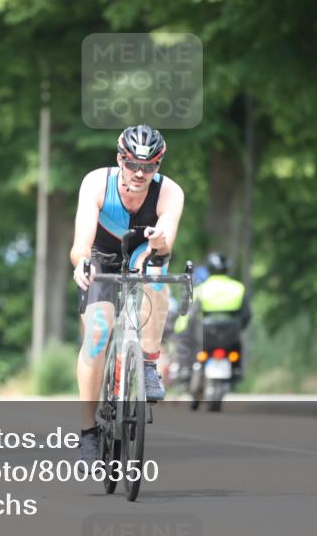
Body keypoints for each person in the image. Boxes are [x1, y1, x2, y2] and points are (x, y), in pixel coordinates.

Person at [71, 125, 185, 466]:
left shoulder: (170, 193)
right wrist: (82, 265)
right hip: (102, 255)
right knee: (97, 334)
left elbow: (166, 242)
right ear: (120, 159)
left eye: (149, 166)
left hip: (142, 254)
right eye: (133, 163)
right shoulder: (96, 183)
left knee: (157, 276)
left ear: (158, 166)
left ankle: (148, 363)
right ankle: (89, 432)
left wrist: (157, 240)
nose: (139, 173)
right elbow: (80, 245)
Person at [183, 252, 251, 382]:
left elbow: (192, 314)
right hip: (231, 332)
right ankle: (237, 370)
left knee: (195, 351)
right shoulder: (238, 288)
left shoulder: (201, 288)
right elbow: (246, 315)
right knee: (237, 347)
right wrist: (239, 328)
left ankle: (189, 373)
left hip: (207, 332)